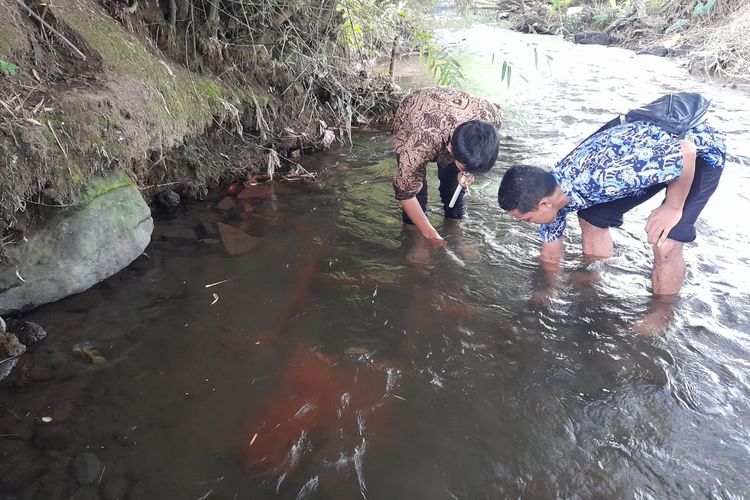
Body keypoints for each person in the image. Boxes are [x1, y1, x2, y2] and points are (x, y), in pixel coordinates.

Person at [497, 119, 726, 297]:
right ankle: (595, 276)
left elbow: (685, 151)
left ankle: (661, 312)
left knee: (665, 241)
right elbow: (550, 254)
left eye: (526, 219)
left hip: (699, 152)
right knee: (591, 216)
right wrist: (546, 290)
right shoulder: (551, 194)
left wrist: (672, 206)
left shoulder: (603, 178)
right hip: (649, 159)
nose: (528, 224)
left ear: (543, 204)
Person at [392, 87, 501, 242]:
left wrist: (467, 173)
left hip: (452, 109)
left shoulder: (490, 118)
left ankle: (456, 233)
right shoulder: (419, 143)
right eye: (465, 167)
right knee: (418, 193)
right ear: (450, 149)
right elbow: (405, 193)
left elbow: (478, 154)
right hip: (414, 113)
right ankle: (413, 238)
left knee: (453, 189)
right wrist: (430, 235)